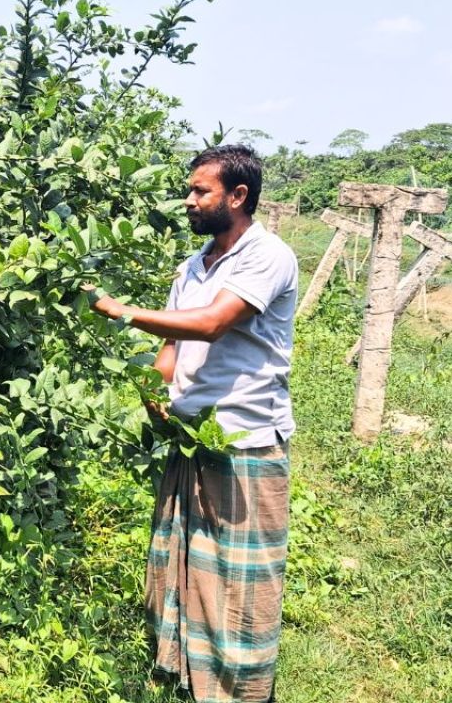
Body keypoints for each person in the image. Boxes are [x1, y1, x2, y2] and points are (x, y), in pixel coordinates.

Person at [87, 145, 297, 703]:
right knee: (186, 559)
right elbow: (174, 344)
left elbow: (209, 324)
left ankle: (246, 688)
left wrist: (121, 311)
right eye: (191, 189)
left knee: (240, 579)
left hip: (244, 439)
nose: (189, 200)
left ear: (237, 196)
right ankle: (186, 671)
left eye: (200, 191)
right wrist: (158, 390)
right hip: (191, 437)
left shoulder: (267, 255)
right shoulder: (194, 264)